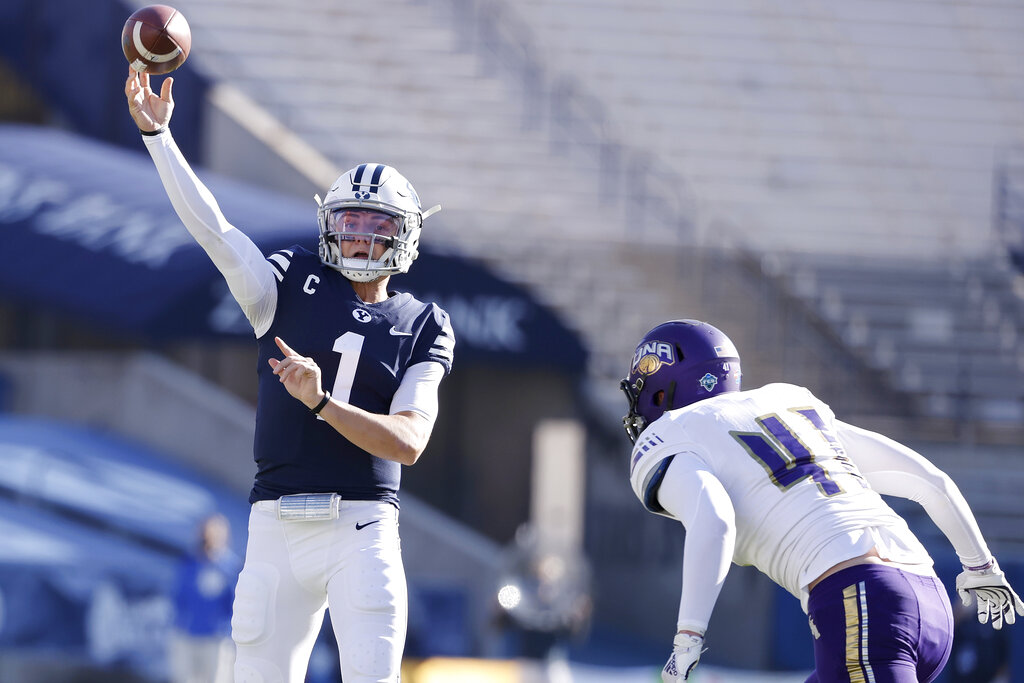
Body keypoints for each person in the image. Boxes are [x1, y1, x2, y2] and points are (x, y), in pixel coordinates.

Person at [126, 68, 455, 683]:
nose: (359, 236)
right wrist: (160, 137)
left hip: (363, 526)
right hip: (275, 521)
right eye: (350, 221)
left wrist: (322, 402)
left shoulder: (424, 323)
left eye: (376, 224)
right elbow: (218, 235)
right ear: (329, 223)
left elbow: (409, 442)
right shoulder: (288, 280)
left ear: (405, 234)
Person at [619, 319, 1024, 683]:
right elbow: (930, 481)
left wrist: (687, 640)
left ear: (660, 390)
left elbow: (715, 520)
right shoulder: (789, 402)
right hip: (930, 603)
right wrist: (980, 566)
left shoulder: (672, 432)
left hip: (862, 602)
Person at [169, 514, 239, 683]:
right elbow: (178, 596)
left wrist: (225, 631)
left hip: (216, 639)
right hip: (186, 635)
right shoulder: (189, 562)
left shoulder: (230, 567)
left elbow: (234, 605)